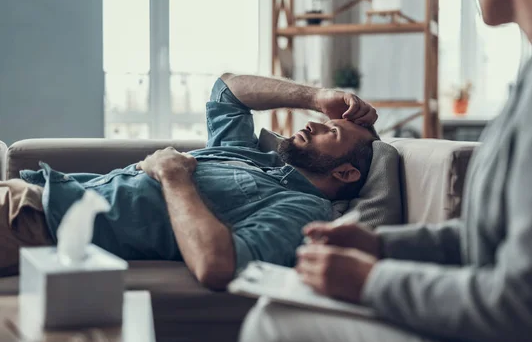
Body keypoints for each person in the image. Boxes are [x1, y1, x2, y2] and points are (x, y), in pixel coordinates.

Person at [238, 0, 532, 342]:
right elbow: (493, 238)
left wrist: (371, 281)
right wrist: (381, 247)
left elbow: (531, 302)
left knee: (273, 326)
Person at [0, 74, 379, 289]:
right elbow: (227, 90)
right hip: (33, 194)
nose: (312, 124)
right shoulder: (250, 155)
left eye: (331, 132)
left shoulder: (303, 208)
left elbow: (218, 265)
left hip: (39, 223)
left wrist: (172, 175)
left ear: (344, 173)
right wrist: (317, 96)